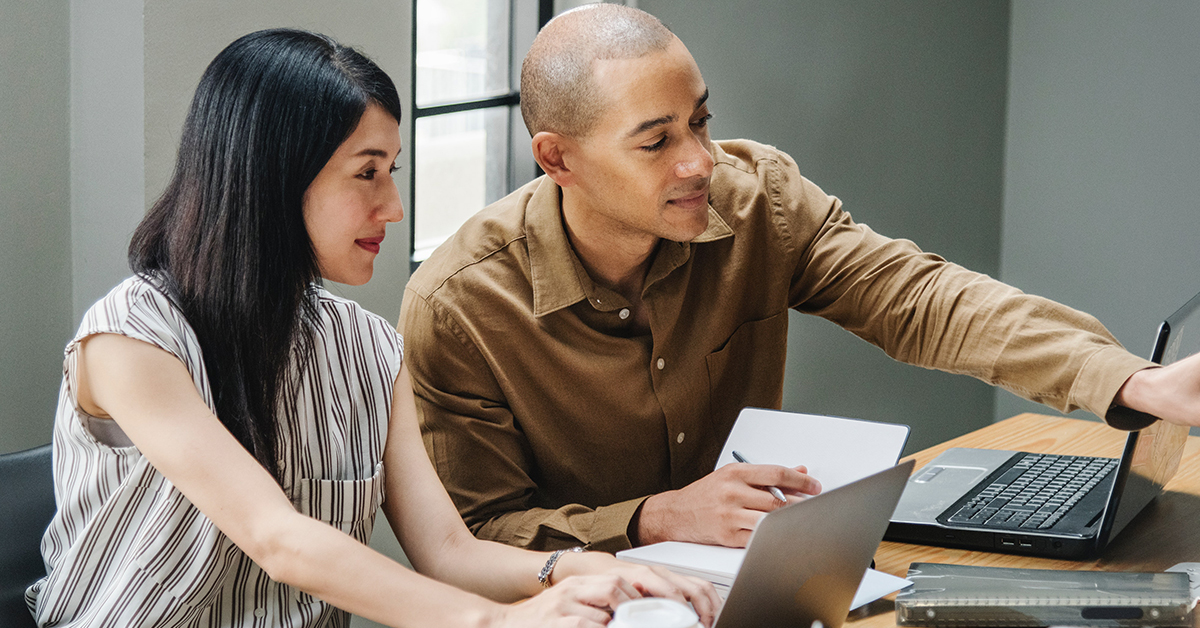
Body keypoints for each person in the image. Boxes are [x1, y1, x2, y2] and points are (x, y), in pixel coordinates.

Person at [397, 4, 1200, 553]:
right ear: (558, 159)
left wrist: (1133, 381)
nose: (699, 161)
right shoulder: (461, 305)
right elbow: (475, 536)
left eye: (701, 120)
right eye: (656, 142)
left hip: (755, 583)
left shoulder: (757, 201)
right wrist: (651, 520)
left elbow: (919, 297)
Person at [27, 28, 719, 628]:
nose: (393, 207)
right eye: (367, 174)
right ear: (272, 179)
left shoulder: (368, 347)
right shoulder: (131, 338)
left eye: (393, 171)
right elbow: (277, 538)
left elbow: (448, 551)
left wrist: (577, 571)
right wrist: (498, 621)